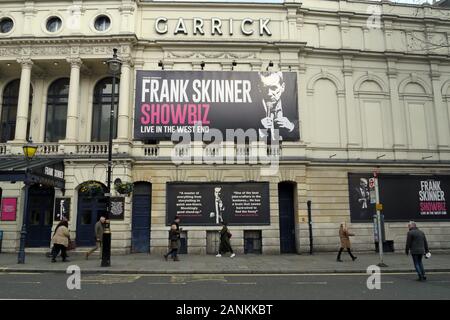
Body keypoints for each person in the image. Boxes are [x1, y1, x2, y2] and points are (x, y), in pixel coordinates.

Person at [257, 71, 297, 141]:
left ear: (282, 87)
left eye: (273, 88)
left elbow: (300, 135)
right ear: (259, 88)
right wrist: (260, 129)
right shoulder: (249, 110)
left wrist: (291, 127)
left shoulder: (292, 104)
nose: (269, 93)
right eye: (265, 88)